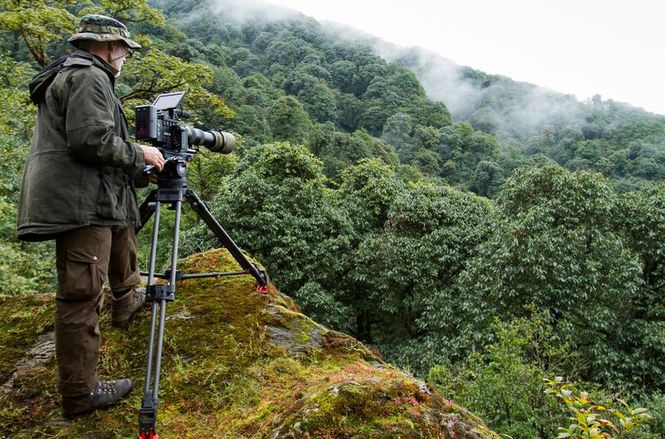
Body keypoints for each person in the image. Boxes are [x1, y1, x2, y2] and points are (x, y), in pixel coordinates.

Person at [16, 14, 165, 418]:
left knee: (122, 225)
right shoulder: (88, 76)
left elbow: (94, 141)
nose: (125, 58)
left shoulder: (82, 73)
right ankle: (81, 394)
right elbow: (91, 140)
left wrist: (134, 165)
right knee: (81, 296)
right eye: (124, 51)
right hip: (78, 203)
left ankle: (126, 298)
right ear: (110, 47)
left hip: (91, 196)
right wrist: (141, 153)